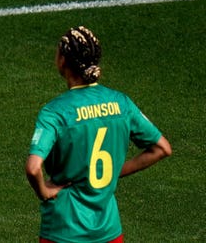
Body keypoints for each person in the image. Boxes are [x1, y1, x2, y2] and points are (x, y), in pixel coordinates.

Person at [25, 26, 172, 243]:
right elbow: (162, 148)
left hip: (64, 230)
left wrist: (44, 192)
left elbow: (33, 167)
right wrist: (112, 171)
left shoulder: (55, 112)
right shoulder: (121, 103)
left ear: (63, 61)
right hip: (109, 231)